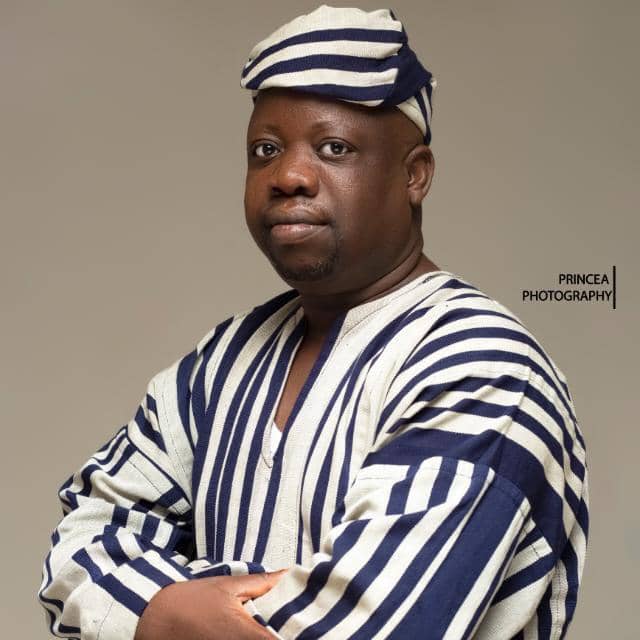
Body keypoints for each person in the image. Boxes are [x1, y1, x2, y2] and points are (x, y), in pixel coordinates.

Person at [38, 5, 589, 639]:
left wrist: (152, 605)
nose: (289, 177)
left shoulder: (481, 364)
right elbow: (79, 546)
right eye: (265, 151)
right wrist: (167, 610)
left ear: (414, 174)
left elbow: (369, 628)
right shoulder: (221, 362)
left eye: (334, 148)